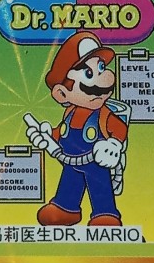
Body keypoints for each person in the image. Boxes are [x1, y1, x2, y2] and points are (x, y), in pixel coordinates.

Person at [24, 32, 130, 227]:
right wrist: (47, 135)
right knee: (69, 184)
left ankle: (105, 214)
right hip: (70, 162)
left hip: (95, 163)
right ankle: (66, 209)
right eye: (89, 73)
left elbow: (119, 129)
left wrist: (114, 145)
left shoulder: (103, 114)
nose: (104, 78)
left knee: (100, 189)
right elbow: (62, 133)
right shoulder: (69, 113)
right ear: (61, 93)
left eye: (101, 67)